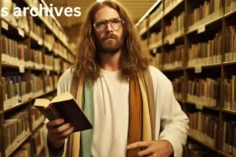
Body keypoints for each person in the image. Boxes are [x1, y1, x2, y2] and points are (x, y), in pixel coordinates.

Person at [44, 0, 189, 157]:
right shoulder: (71, 78)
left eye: (115, 22)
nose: (109, 29)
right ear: (91, 33)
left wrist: (168, 144)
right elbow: (57, 132)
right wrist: (54, 139)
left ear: (125, 28)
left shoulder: (153, 78)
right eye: (101, 24)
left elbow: (177, 120)